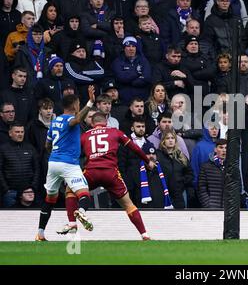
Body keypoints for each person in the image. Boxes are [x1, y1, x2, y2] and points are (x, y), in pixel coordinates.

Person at [57, 112, 151, 240]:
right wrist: (147, 160)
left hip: (91, 172)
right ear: (106, 122)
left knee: (70, 190)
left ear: (91, 123)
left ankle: (73, 223)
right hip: (111, 173)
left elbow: (72, 154)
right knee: (128, 205)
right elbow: (134, 147)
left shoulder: (84, 136)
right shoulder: (115, 132)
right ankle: (144, 234)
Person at [35, 86, 96, 241]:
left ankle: (40, 233)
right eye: (78, 104)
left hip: (53, 162)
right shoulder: (70, 119)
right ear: (75, 105)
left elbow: (47, 145)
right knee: (84, 194)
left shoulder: (54, 122)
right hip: (69, 163)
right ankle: (81, 212)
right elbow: (77, 120)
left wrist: (57, 153)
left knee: (50, 199)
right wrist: (89, 103)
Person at [0, 122, 39, 208]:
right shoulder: (3, 149)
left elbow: (37, 169)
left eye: (22, 132)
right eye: (17, 132)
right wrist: (6, 189)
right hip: (10, 193)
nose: (20, 134)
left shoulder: (30, 148)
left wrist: (33, 187)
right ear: (10, 133)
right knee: (9, 219)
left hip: (28, 192)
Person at [155, 130, 194, 209]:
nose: (170, 140)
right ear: (163, 141)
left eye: (172, 138)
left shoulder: (181, 156)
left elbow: (190, 173)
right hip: (162, 193)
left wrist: (181, 181)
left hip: (179, 193)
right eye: (167, 138)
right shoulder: (157, 155)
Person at [112, 36, 153, 106]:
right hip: (125, 100)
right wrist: (138, 73)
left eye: (133, 46)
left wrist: (130, 81)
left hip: (142, 99)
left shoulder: (143, 60)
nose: (131, 49)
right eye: (128, 46)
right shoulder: (118, 61)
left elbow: (147, 77)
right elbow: (121, 78)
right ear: (124, 48)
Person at [198, 139, 227, 208]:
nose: (224, 150)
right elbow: (201, 188)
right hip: (211, 208)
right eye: (221, 147)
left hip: (228, 209)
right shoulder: (206, 166)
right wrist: (208, 205)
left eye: (226, 148)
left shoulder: (232, 167)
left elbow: (237, 187)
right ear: (215, 149)